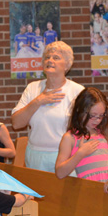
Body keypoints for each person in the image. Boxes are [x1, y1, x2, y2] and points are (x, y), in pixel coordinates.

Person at [11, 41, 85, 172]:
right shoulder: (32, 88)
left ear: (67, 65)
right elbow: (16, 123)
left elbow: (85, 129)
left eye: (56, 58)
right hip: (34, 157)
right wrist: (38, 101)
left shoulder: (77, 91)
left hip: (65, 158)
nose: (50, 60)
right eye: (47, 57)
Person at [55, 87, 108, 181]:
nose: (97, 120)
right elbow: (60, 173)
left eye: (101, 116)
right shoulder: (70, 138)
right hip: (88, 189)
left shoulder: (101, 136)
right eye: (92, 115)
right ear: (80, 111)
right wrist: (80, 153)